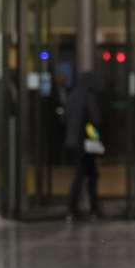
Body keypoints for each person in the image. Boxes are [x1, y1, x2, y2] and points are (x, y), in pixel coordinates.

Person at [59, 66, 102, 220]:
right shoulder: (89, 96)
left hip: (73, 142)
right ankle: (90, 208)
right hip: (85, 143)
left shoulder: (72, 96)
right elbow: (94, 121)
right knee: (89, 175)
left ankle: (76, 208)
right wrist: (96, 138)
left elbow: (64, 119)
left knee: (83, 174)